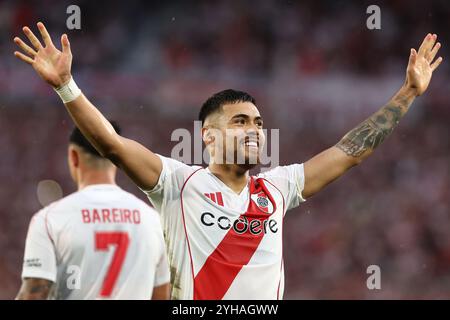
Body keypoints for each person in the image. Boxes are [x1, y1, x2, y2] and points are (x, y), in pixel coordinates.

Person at [13, 22, 442, 299]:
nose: (255, 129)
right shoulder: (177, 182)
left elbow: (350, 152)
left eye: (257, 122)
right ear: (209, 136)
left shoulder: (277, 188)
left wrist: (407, 94)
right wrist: (67, 86)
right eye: (240, 121)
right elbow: (110, 144)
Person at [16, 124, 170, 299]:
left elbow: (34, 293)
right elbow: (162, 295)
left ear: (73, 156)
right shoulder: (154, 220)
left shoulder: (49, 219)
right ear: (118, 157)